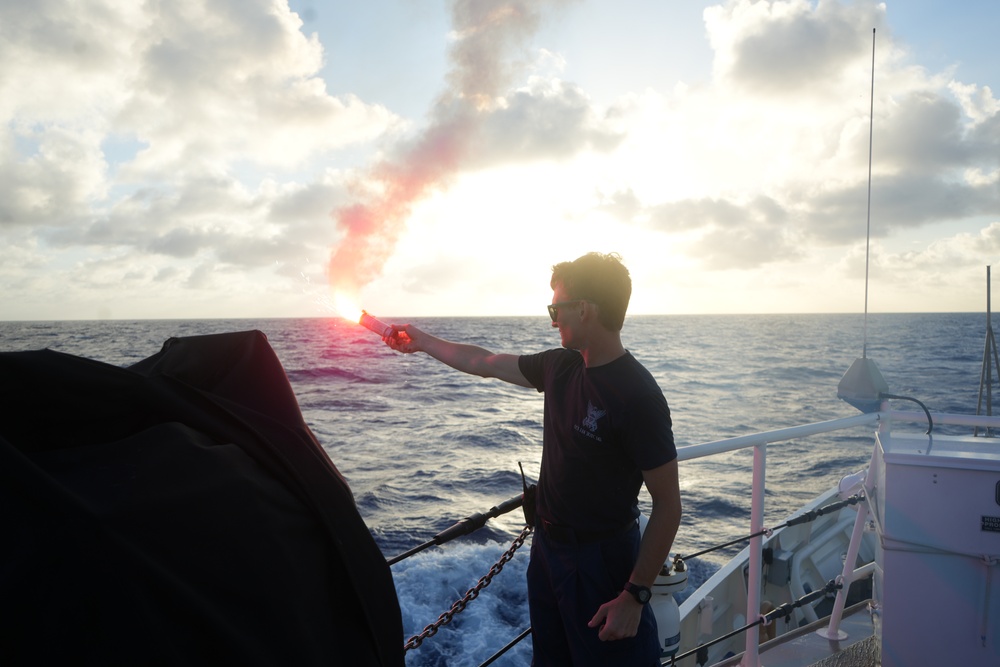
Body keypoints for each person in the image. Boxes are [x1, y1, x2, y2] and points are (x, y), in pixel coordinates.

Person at [384, 252, 681, 666]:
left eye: (556, 308)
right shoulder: (559, 367)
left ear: (585, 309)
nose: (552, 318)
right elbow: (482, 362)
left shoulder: (638, 396)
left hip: (602, 562)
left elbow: (668, 505)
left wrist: (634, 596)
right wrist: (420, 340)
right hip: (548, 551)